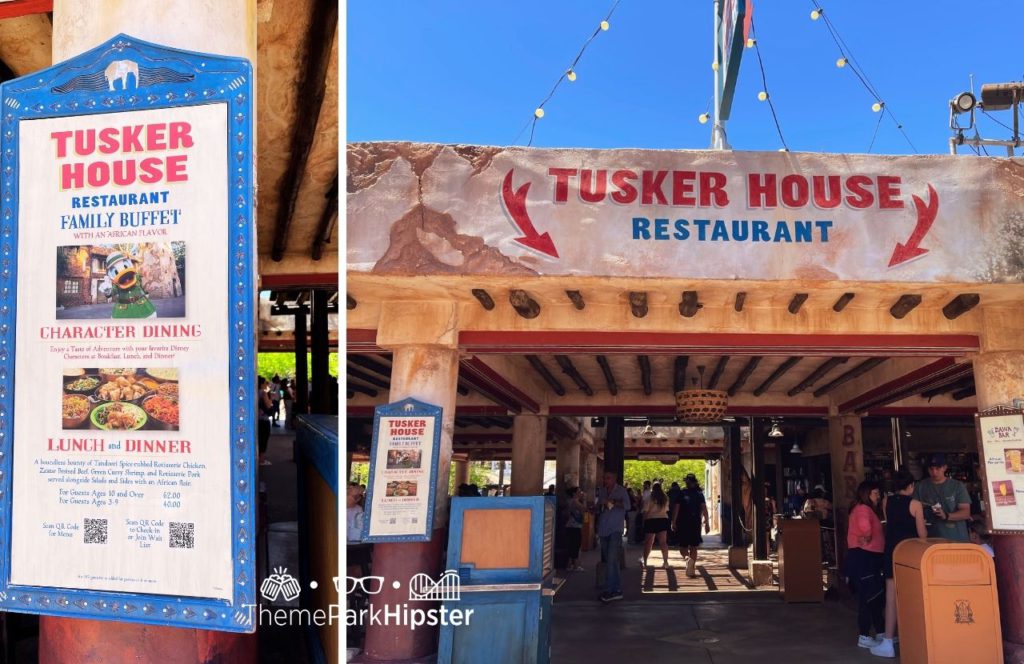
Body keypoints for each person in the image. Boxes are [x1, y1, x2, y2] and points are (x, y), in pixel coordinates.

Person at [871, 471, 927, 659]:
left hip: (892, 550)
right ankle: (914, 637)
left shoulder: (887, 502)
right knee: (913, 593)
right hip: (910, 552)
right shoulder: (916, 504)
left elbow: (892, 524)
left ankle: (888, 640)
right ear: (911, 486)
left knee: (891, 596)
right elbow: (922, 534)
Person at [845, 481, 886, 651]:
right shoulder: (863, 509)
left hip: (869, 558)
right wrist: (867, 536)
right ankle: (864, 635)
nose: (878, 497)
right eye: (875, 493)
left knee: (874, 597)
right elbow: (864, 528)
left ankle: (882, 632)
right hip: (864, 558)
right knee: (868, 598)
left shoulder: (864, 509)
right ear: (867, 494)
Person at [913, 454, 971, 542]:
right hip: (931, 539)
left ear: (944, 467)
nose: (934, 472)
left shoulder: (957, 486)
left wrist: (946, 515)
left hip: (956, 539)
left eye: (937, 468)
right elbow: (913, 510)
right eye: (931, 469)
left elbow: (966, 512)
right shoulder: (920, 486)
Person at [595, 471, 630, 602]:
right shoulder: (602, 491)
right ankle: (616, 589)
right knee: (612, 561)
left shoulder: (621, 491)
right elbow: (599, 506)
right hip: (603, 529)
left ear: (614, 479)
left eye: (608, 478)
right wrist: (597, 507)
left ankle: (610, 590)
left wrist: (614, 502)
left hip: (615, 529)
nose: (605, 480)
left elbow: (628, 506)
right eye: (604, 478)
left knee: (611, 559)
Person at [672, 473, 710, 578]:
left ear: (687, 482)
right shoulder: (699, 494)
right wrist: (707, 522)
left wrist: (673, 521)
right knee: (694, 546)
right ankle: (691, 570)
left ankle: (687, 559)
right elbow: (704, 509)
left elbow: (676, 508)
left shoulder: (682, 493)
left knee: (682, 547)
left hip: (683, 523)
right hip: (695, 522)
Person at [640, 482, 671, 569]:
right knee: (663, 542)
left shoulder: (649, 498)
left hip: (651, 520)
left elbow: (645, 511)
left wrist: (643, 521)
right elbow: (666, 509)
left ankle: (645, 561)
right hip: (663, 520)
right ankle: (665, 562)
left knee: (649, 542)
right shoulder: (665, 498)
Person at [563, 487, 586, 572]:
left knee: (572, 545)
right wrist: (585, 500)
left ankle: (569, 565)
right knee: (576, 545)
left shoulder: (570, 501)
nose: (581, 493)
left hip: (571, 526)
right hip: (574, 526)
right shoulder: (575, 501)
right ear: (574, 494)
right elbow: (584, 508)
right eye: (579, 492)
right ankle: (575, 565)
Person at [256, 376, 274, 466]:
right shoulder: (263, 393)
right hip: (264, 420)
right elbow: (268, 405)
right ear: (262, 384)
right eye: (265, 383)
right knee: (263, 440)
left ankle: (257, 459)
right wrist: (272, 399)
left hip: (257, 420)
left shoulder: (254, 392)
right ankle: (261, 460)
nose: (266, 384)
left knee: (258, 439)